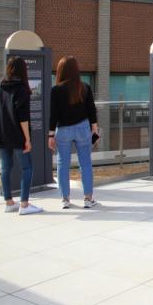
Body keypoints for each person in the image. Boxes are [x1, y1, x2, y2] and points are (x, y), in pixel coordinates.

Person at [0, 56, 43, 215]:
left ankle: (9, 202)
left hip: (0, 133)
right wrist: (27, 139)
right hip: (17, 134)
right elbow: (23, 118)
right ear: (23, 70)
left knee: (5, 167)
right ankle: (24, 205)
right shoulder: (21, 89)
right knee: (27, 167)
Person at [48, 56, 99, 209]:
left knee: (63, 164)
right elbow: (91, 110)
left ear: (61, 70)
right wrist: (95, 129)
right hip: (83, 128)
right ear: (76, 70)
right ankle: (88, 198)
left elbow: (53, 115)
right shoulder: (85, 87)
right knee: (85, 163)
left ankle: (65, 199)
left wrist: (50, 135)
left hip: (63, 130)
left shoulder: (56, 90)